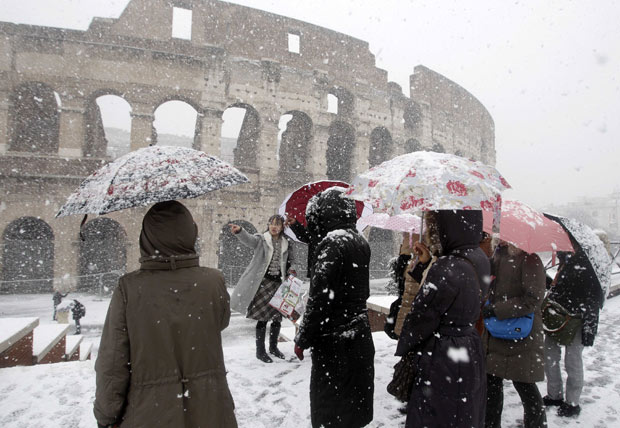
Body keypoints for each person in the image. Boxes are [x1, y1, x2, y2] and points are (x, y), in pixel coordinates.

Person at [93, 201, 237, 428]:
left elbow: (112, 362)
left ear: (146, 238)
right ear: (191, 232)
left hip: (150, 412)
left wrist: (106, 415)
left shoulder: (129, 288)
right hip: (212, 409)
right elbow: (220, 321)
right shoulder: (213, 280)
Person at [396, 210, 489, 428]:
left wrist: (406, 345)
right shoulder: (478, 257)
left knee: (436, 415)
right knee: (463, 414)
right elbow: (454, 295)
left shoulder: (447, 266)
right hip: (469, 348)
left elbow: (422, 315)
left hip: (442, 354)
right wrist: (426, 263)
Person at [294, 188, 375, 428]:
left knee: (332, 410)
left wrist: (303, 338)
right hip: (359, 336)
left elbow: (319, 300)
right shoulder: (359, 240)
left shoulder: (332, 244)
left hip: (335, 341)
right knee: (353, 409)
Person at [483, 241, 547, 428]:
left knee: (525, 385)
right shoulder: (498, 254)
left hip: (521, 334)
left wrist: (497, 309)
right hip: (497, 332)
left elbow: (533, 299)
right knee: (491, 385)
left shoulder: (530, 259)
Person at [543, 247, 604, 417]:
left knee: (573, 361)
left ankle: (572, 402)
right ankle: (554, 395)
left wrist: (589, 328)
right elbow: (558, 290)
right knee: (550, 356)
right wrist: (547, 279)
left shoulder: (586, 264)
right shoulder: (566, 261)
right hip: (557, 318)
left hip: (576, 320)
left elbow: (593, 298)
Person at [229, 214, 293, 363]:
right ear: (268, 224)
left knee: (277, 319)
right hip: (263, 284)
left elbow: (292, 260)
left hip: (279, 284)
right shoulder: (262, 239)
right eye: (272, 223)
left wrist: (293, 269)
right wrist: (240, 231)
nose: (274, 226)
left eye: (278, 224)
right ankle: (260, 351)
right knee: (262, 318)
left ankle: (273, 347)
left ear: (283, 227)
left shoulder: (286, 242)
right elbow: (250, 240)